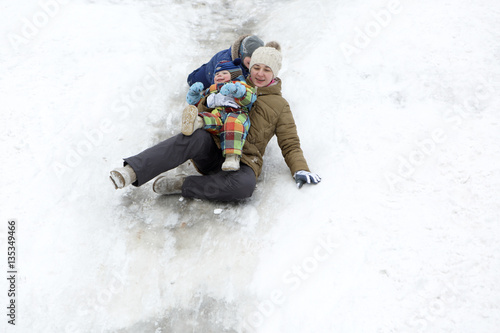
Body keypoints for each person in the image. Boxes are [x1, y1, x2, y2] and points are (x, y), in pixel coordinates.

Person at [109, 43, 321, 201]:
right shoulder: (233, 83)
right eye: (256, 67)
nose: (260, 73)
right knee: (195, 135)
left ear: (274, 73)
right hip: (214, 149)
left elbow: (290, 143)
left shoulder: (280, 105)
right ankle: (132, 171)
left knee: (244, 187)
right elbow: (204, 109)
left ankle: (184, 184)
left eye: (267, 69)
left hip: (243, 162)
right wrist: (204, 102)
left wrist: (300, 169)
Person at [183, 58, 256, 171]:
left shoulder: (241, 85)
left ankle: (232, 158)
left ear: (234, 74)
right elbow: (201, 102)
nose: (219, 75)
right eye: (217, 74)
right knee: (209, 117)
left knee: (233, 125)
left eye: (224, 73)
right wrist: (194, 95)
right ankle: (196, 122)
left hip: (237, 114)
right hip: (219, 115)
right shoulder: (212, 90)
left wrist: (236, 90)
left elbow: (249, 98)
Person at [187, 35, 264, 90]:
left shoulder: (249, 63)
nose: (253, 62)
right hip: (209, 74)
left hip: (234, 75)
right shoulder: (224, 61)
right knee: (193, 82)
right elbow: (215, 88)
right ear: (242, 54)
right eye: (250, 58)